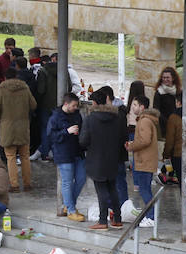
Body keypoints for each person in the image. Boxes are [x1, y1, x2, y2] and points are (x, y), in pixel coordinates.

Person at [80, 90, 128, 230]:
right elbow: (121, 138)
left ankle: (102, 221)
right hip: (113, 159)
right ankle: (117, 219)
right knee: (112, 188)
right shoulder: (117, 117)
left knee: (101, 189)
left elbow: (83, 141)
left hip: (96, 159)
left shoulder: (90, 119)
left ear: (94, 103)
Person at [0, 66, 36, 192]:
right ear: (17, 76)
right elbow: (33, 104)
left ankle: (14, 185)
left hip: (7, 127)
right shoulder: (25, 87)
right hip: (23, 127)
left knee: (10, 157)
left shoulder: (2, 88)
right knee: (25, 156)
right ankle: (27, 184)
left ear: (5, 77)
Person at [47, 92, 86, 221]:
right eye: (74, 105)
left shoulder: (77, 115)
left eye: (77, 105)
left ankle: (69, 204)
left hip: (77, 151)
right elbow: (51, 136)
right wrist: (66, 131)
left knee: (81, 178)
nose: (76, 108)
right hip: (63, 153)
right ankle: (70, 209)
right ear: (66, 104)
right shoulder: (55, 117)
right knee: (67, 182)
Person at [126, 95, 158, 227]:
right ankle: (150, 215)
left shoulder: (144, 121)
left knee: (145, 190)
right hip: (144, 160)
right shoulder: (145, 120)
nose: (133, 107)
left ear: (142, 107)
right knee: (145, 189)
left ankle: (151, 217)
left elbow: (145, 140)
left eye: (135, 105)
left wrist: (132, 146)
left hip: (145, 161)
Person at [152, 67, 181, 137]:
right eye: (163, 77)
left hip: (178, 124)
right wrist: (168, 122)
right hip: (165, 125)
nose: (165, 80)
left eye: (167, 77)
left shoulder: (179, 91)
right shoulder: (159, 92)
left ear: (173, 78)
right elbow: (156, 110)